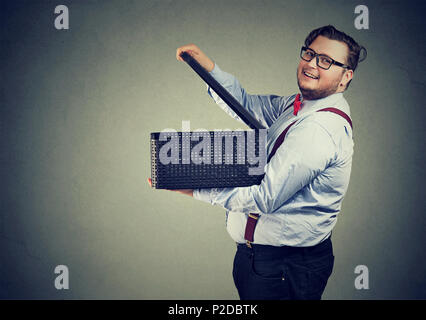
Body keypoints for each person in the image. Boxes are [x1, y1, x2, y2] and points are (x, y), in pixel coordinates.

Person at [148, 25, 366, 300]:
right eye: (309, 54)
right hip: (259, 261)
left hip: (285, 267)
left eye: (326, 60)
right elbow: (246, 105)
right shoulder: (297, 106)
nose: (312, 64)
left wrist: (193, 189)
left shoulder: (319, 128)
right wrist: (208, 69)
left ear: (345, 77)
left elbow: (265, 197)